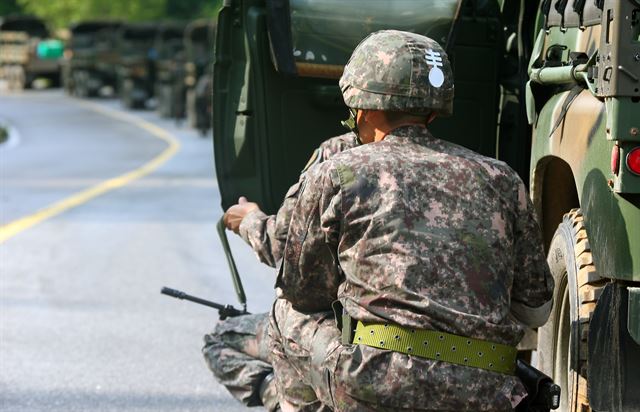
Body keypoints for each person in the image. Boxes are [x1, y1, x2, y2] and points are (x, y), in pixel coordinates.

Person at [268, 30, 554, 411]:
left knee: (283, 312)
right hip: (488, 395)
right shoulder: (502, 179)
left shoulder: (338, 173)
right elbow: (536, 308)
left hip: (378, 385)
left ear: (360, 107)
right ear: (433, 111)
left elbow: (303, 293)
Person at [202, 132, 357, 411]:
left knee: (280, 316)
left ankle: (287, 399)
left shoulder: (339, 156)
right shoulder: (460, 164)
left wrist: (249, 219)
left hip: (353, 346)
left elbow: (283, 247)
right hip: (448, 353)